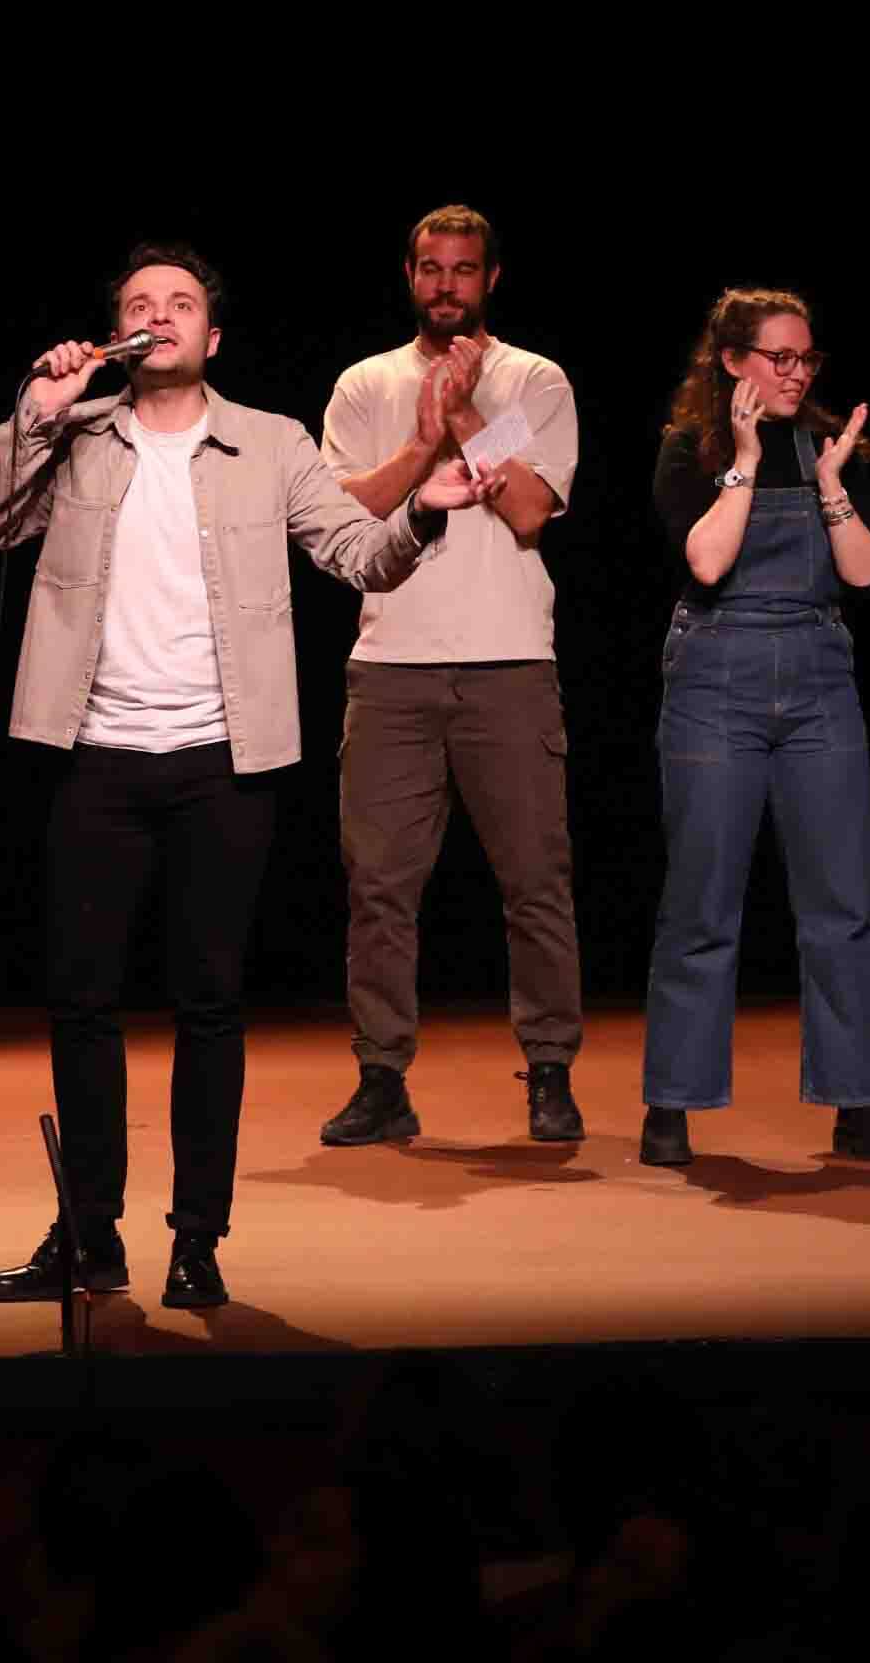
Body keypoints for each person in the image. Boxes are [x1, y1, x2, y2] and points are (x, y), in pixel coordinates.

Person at [0, 244, 482, 1310]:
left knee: (209, 1005)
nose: (158, 315)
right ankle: (89, 1234)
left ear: (214, 336)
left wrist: (424, 509)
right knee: (84, 1003)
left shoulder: (271, 443)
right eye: (137, 303)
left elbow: (358, 553)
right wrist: (40, 410)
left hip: (221, 766)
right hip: (93, 756)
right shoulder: (76, 433)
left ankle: (198, 1238)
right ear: (114, 331)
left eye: (181, 302)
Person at [315, 204, 585, 1146]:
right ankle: (382, 1076)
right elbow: (348, 517)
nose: (446, 286)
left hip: (510, 661)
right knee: (380, 887)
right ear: (409, 275)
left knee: (535, 880)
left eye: (464, 271)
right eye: (431, 269)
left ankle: (549, 1069)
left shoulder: (534, 380)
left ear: (491, 280)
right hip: (390, 668)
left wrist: (468, 409)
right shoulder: (363, 385)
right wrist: (427, 435)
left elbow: (527, 513)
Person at [642, 288, 870, 1166]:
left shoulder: (836, 448)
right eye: (778, 358)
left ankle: (853, 1100)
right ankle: (674, 1100)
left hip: (820, 677)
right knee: (703, 898)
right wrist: (749, 459)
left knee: (842, 903)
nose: (796, 373)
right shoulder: (692, 450)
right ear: (732, 362)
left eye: (805, 358)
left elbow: (866, 574)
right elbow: (710, 559)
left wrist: (832, 486)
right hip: (718, 673)